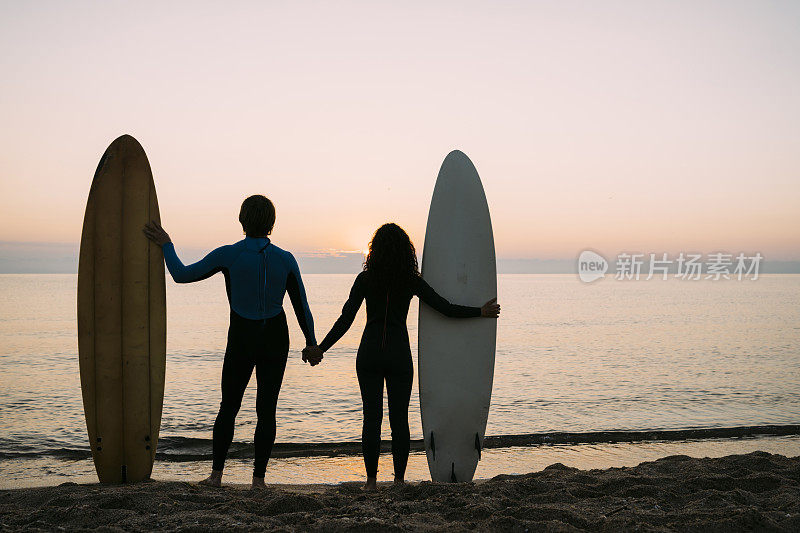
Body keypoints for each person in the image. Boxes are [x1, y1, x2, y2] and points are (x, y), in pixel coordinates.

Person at [303, 223, 499, 490]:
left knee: (371, 419)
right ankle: (398, 480)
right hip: (398, 355)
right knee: (399, 420)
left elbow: (345, 319)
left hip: (369, 354)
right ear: (406, 251)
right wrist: (479, 312)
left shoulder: (365, 279)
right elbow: (446, 309)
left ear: (375, 250)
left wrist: (321, 349)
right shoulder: (410, 280)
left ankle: (371, 482)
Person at [143, 195, 317, 490]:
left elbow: (181, 275)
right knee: (267, 409)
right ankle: (258, 481)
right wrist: (311, 342)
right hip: (275, 335)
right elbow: (301, 304)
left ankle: (216, 476)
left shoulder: (229, 255)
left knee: (229, 406)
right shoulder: (286, 259)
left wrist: (166, 244)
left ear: (241, 220)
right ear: (272, 224)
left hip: (242, 335)